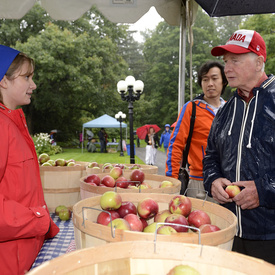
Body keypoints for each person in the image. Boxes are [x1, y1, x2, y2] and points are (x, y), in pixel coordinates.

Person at [203, 29, 275, 264]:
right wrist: (213, 180)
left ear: (258, 62)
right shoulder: (224, 111)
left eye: (235, 60)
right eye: (226, 62)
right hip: (228, 230)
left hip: (270, 236)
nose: (227, 69)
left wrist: (264, 190)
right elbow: (211, 158)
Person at [0, 45, 59, 274]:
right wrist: (39, 220)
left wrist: (47, 227)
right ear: (3, 80)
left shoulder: (14, 121)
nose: (33, 85)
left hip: (24, 255)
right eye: (26, 77)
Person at [166, 61, 227, 201]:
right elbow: (176, 145)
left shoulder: (230, 108)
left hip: (228, 183)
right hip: (200, 183)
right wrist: (171, 182)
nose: (210, 83)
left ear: (224, 81)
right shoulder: (191, 108)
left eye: (214, 78)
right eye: (205, 79)